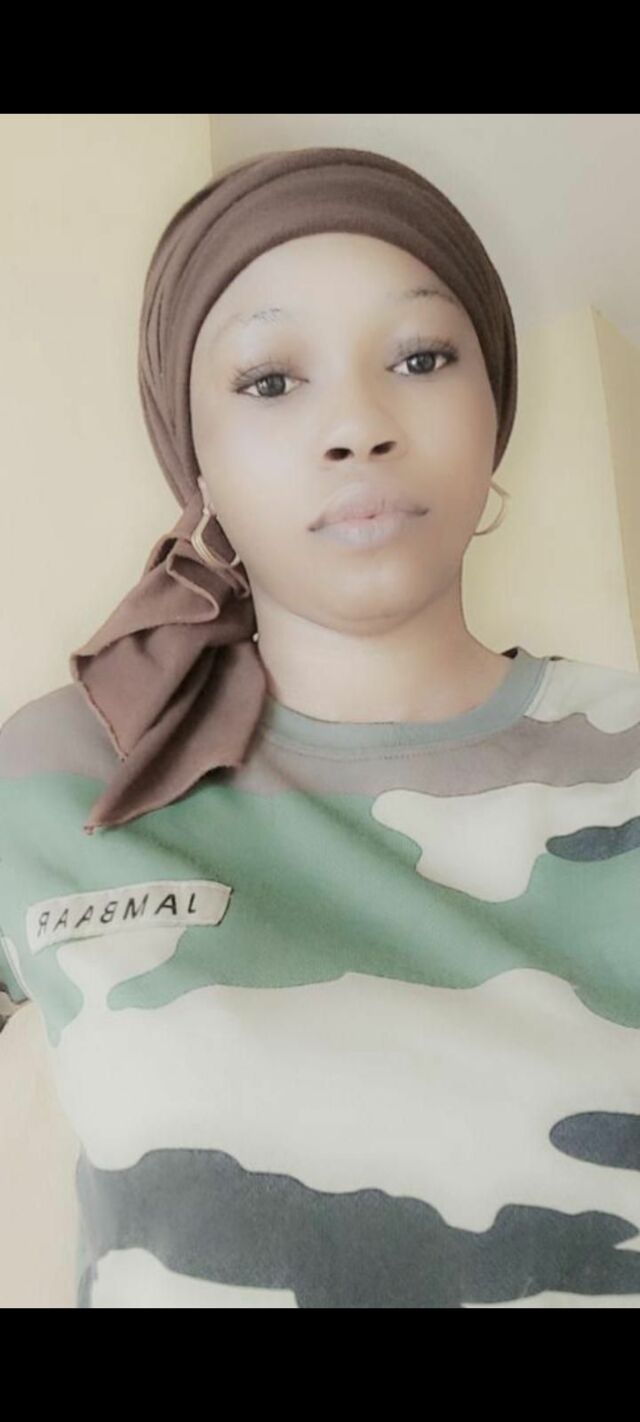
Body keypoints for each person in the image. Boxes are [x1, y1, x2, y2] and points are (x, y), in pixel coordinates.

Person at [1, 146, 639, 1309]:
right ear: (193, 455)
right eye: (269, 380)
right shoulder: (55, 776)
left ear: (493, 409)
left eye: (420, 357)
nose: (357, 425)